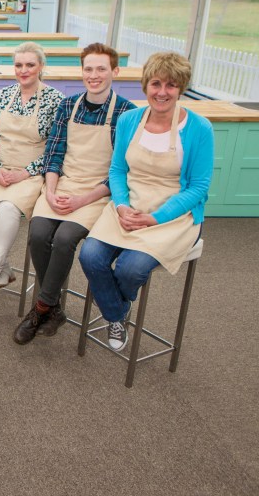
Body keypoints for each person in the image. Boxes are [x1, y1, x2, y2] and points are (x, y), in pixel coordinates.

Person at [79, 52, 213, 351]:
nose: (162, 92)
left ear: (181, 88)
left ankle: (114, 311)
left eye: (171, 85)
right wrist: (123, 205)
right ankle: (118, 313)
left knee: (129, 269)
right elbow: (117, 170)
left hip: (173, 215)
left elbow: (199, 187)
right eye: (156, 84)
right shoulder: (129, 120)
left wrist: (155, 218)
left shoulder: (199, 128)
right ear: (145, 86)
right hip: (128, 205)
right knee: (90, 256)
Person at [13, 43, 136, 344]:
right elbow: (54, 153)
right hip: (62, 184)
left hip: (97, 194)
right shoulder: (68, 106)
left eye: (101, 69)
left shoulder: (127, 113)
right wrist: (51, 190)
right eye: (88, 69)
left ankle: (42, 307)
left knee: (66, 238)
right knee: (39, 233)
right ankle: (54, 308)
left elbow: (122, 170)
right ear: (82, 72)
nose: (93, 75)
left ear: (115, 72)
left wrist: (83, 199)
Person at [0, 42, 63, 306]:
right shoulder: (2, 95)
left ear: (41, 67)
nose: (23, 70)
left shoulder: (54, 100)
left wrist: (25, 173)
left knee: (9, 209)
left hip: (30, 172)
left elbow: (55, 147)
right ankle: (3, 267)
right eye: (19, 65)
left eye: (30, 65)